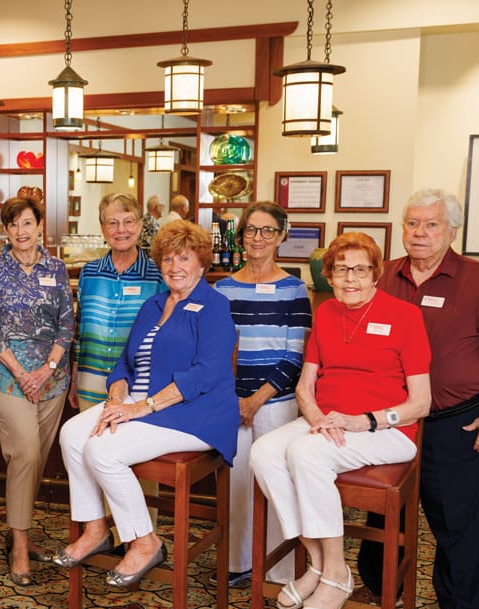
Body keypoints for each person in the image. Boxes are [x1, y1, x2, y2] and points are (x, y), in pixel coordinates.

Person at [354, 189, 479, 609]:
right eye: (412, 224)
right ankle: (381, 583)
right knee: (385, 505)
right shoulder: (382, 275)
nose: (420, 233)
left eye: (430, 224)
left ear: (451, 230)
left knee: (458, 518)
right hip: (391, 419)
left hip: (455, 421)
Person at [249, 232, 431, 609]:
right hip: (326, 421)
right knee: (262, 451)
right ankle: (319, 561)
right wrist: (316, 417)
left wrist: (361, 420)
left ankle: (335, 576)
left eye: (361, 270)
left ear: (376, 274)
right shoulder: (327, 313)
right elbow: (304, 386)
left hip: (385, 428)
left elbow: (421, 403)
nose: (351, 279)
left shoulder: (406, 316)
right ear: (329, 277)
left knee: (306, 454)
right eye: (341, 270)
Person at [54, 220, 239, 587]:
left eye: (184, 258)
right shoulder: (154, 304)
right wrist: (115, 399)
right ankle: (95, 529)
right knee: (72, 434)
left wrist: (142, 407)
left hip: (196, 413)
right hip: (140, 401)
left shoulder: (215, 306)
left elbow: (207, 372)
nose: (175, 267)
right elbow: (125, 361)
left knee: (102, 452)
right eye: (168, 259)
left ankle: (145, 540)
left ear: (201, 263)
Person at [213, 201, 312, 588]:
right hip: (231, 404)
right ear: (241, 236)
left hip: (277, 403)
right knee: (237, 488)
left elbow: (295, 354)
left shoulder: (294, 288)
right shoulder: (221, 289)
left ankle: (278, 569)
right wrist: (236, 400)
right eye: (251, 230)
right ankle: (239, 563)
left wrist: (257, 399)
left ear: (282, 236)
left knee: (276, 486)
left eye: (268, 230)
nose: (258, 238)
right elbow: (216, 350)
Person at [0, 196, 74, 586]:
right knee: (26, 454)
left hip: (52, 378)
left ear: (39, 227)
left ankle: (19, 528)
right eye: (13, 224)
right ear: (6, 229)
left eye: (27, 223)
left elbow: (67, 323)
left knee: (35, 461)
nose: (20, 231)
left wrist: (47, 369)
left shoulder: (56, 267)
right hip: (7, 376)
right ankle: (19, 542)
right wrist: (22, 373)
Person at [71, 193, 166, 409]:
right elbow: (79, 333)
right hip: (90, 384)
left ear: (140, 225)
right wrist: (74, 379)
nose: (121, 230)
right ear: (103, 228)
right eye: (112, 223)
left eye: (128, 222)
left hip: (137, 388)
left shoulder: (158, 275)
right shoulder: (89, 273)